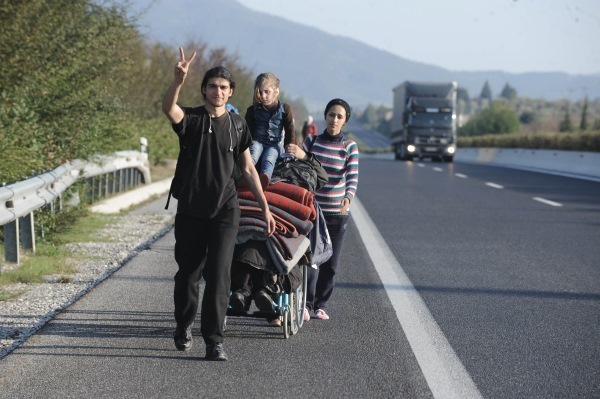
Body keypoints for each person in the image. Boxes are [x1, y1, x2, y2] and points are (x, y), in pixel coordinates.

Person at [162, 47, 276, 361]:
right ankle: (184, 324)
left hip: (226, 209)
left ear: (231, 93)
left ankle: (214, 341)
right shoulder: (191, 119)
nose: (218, 91)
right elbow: (168, 108)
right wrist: (177, 81)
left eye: (224, 88)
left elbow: (249, 168)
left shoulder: (238, 125)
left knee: (220, 274)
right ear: (204, 90)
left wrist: (265, 207)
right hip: (191, 208)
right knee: (188, 274)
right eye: (212, 86)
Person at [285, 98, 359, 321]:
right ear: (325, 116)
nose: (334, 119)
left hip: (337, 214)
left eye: (339, 116)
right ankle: (306, 304)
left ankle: (321, 304)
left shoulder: (349, 147)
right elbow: (298, 165)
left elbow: (352, 176)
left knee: (331, 264)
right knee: (312, 260)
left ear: (345, 121)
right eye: (331, 115)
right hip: (313, 211)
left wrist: (348, 197)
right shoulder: (312, 141)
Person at [244, 72, 297, 180]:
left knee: (269, 158)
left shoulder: (285, 109)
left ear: (276, 91)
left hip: (274, 144)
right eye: (260, 92)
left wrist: (289, 149)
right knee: (253, 154)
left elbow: (290, 130)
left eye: (267, 92)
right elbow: (247, 131)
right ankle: (246, 176)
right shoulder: (252, 110)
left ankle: (265, 178)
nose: (263, 96)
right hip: (257, 141)